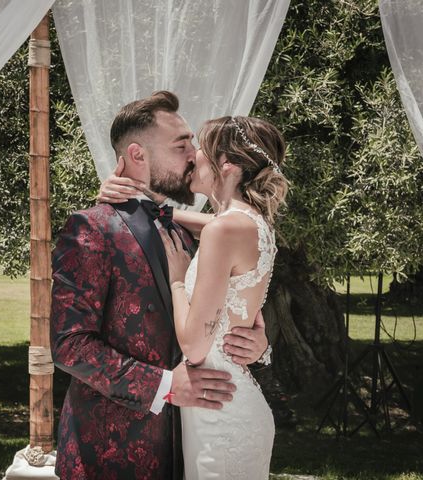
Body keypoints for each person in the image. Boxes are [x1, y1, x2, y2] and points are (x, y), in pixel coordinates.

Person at [50, 91, 271, 480]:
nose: (193, 154)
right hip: (111, 455)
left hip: (191, 446)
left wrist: (258, 339)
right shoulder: (92, 229)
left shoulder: (188, 231)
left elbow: (226, 297)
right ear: (137, 155)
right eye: (181, 143)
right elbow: (69, 345)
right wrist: (166, 386)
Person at [101, 114, 288, 479]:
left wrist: (176, 280)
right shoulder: (251, 222)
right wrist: (140, 204)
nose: (193, 156)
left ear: (227, 165)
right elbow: (205, 225)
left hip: (219, 417)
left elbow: (195, 347)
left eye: (202, 148)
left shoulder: (224, 229)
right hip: (232, 403)